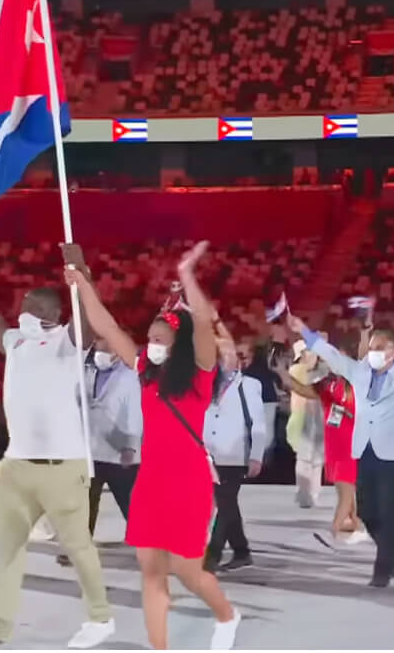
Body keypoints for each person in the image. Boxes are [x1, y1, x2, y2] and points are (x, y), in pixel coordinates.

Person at [67, 241, 241, 650]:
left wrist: (186, 274)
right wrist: (81, 286)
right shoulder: (145, 370)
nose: (152, 344)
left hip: (189, 481)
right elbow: (108, 327)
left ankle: (227, 616)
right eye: (150, 337)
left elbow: (201, 319)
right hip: (151, 479)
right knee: (150, 569)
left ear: (177, 343)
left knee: (187, 570)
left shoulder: (200, 374)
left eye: (160, 338)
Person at [0, 243, 115, 649]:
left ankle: (101, 618)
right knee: (7, 553)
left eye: (30, 304)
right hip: (15, 466)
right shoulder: (15, 342)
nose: (21, 308)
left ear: (50, 313)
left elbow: (87, 319)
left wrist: (81, 272)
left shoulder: (69, 342)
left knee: (79, 548)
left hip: (63, 466)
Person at [286, 313, 394, 588]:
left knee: (391, 514)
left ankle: (382, 570)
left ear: (392, 352)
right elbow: (330, 354)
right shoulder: (359, 372)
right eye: (372, 348)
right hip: (365, 452)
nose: (373, 353)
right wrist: (304, 331)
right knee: (367, 512)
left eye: (379, 349)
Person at [56, 339, 143, 568]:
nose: (101, 352)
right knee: (84, 501)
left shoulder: (131, 375)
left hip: (120, 449)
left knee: (132, 502)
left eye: (106, 348)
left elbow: (136, 411)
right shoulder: (86, 369)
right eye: (99, 348)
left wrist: (130, 446)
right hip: (89, 448)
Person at [275, 349, 369, 548]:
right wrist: (283, 373)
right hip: (333, 444)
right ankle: (359, 527)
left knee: (345, 491)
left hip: (351, 445)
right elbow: (303, 389)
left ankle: (333, 532)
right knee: (344, 490)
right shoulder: (328, 384)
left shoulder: (359, 386)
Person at [204, 336, 268, 573]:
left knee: (225, 503)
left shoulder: (249, 384)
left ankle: (213, 556)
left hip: (234, 454)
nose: (233, 359)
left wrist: (256, 455)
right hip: (210, 453)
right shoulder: (207, 382)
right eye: (229, 353)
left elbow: (258, 424)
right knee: (227, 503)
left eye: (240, 355)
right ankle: (242, 551)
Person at [287, 340, 328, 508]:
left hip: (322, 417)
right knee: (304, 456)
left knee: (319, 457)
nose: (310, 355)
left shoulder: (324, 371)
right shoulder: (296, 371)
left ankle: (314, 492)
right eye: (306, 352)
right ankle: (303, 493)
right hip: (302, 416)